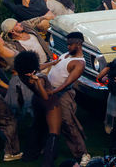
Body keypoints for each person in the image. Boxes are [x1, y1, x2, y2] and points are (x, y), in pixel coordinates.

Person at [47, 31, 90, 166]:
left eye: (70, 44)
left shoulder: (79, 63)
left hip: (63, 94)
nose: (68, 47)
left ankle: (83, 154)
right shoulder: (66, 54)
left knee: (68, 123)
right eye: (67, 44)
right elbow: (54, 67)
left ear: (79, 44)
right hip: (52, 91)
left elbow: (67, 83)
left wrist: (52, 92)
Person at [13, 50, 63, 167]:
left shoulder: (22, 75)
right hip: (50, 104)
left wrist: (52, 63)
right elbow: (45, 96)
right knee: (54, 132)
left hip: (36, 101)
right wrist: (38, 82)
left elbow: (38, 67)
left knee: (37, 126)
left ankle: (30, 154)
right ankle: (47, 163)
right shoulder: (37, 79)